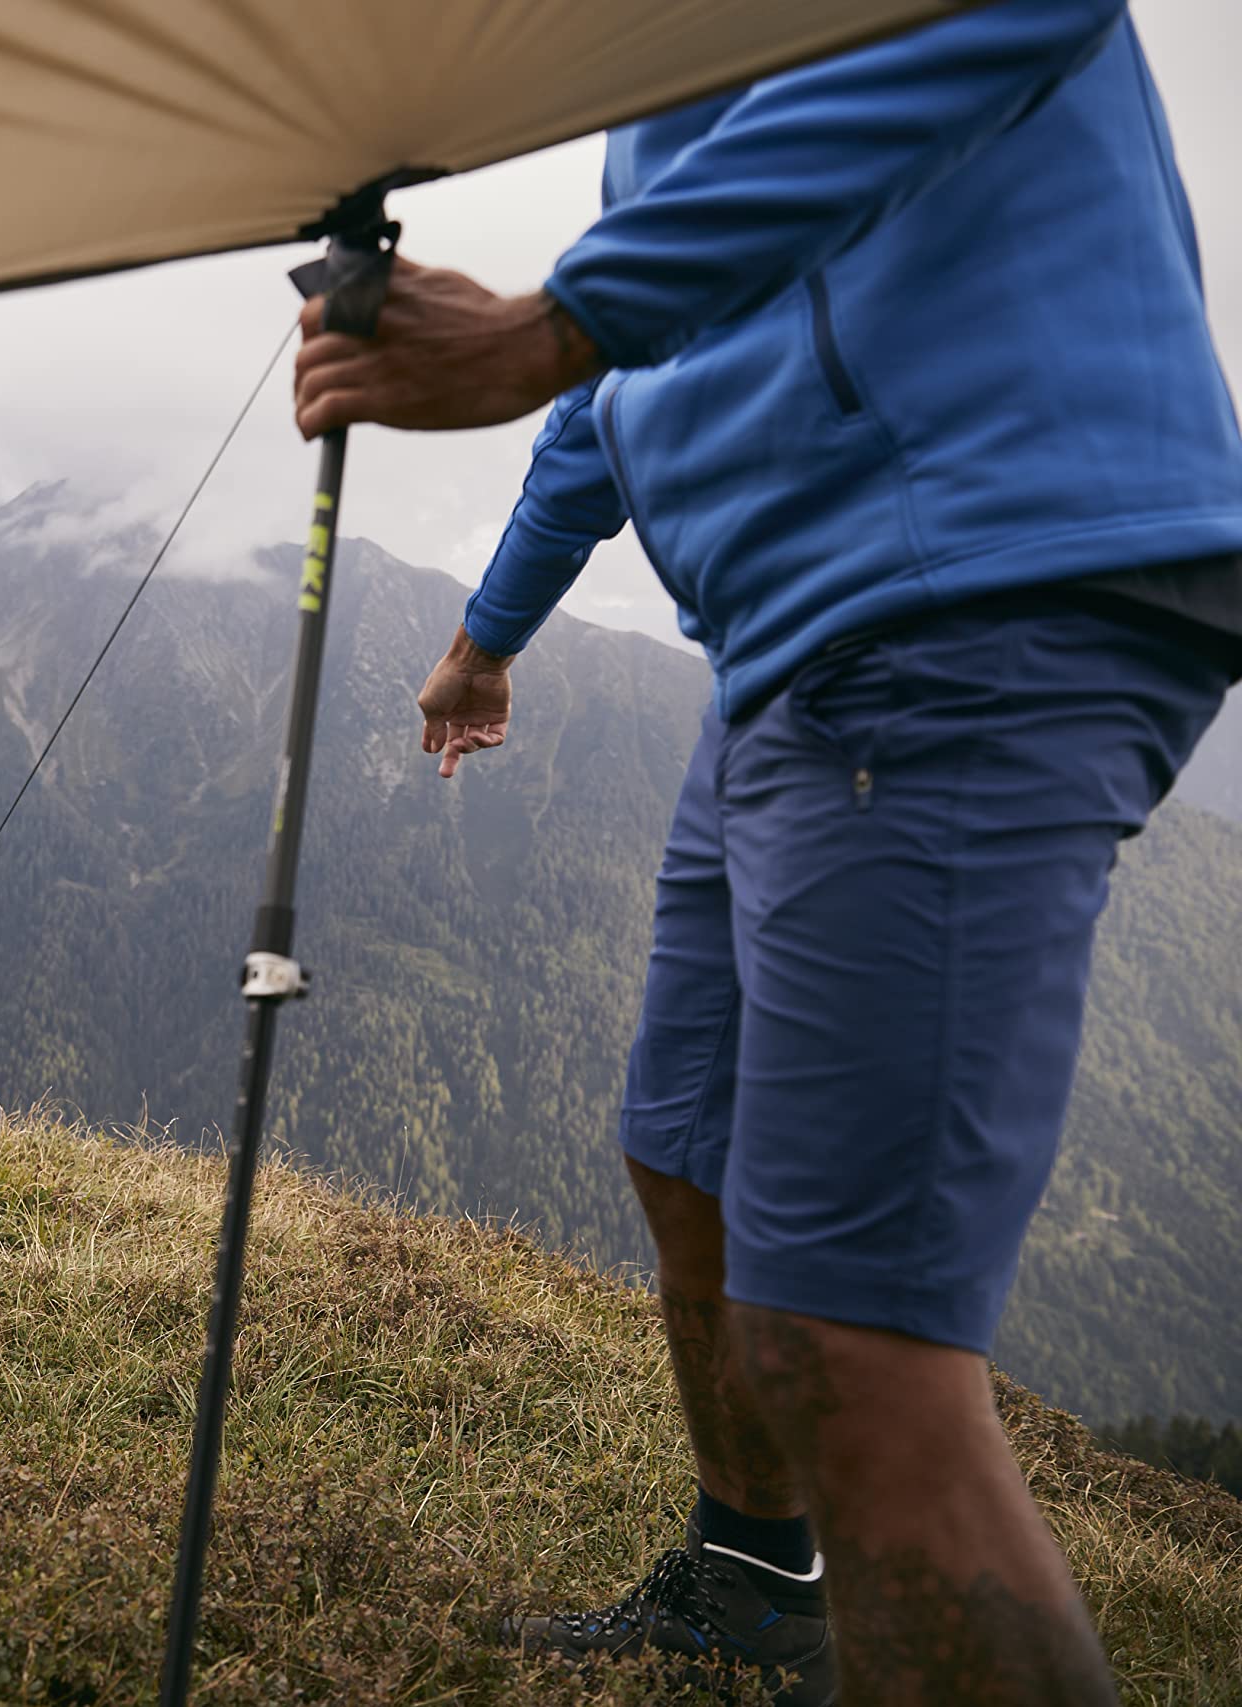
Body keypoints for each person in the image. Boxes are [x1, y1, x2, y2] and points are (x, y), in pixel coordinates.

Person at [290, 3, 1241, 1704]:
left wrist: (552, 322)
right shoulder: (662, 82)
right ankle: (753, 1586)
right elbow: (620, 382)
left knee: (852, 1330)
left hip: (975, 594)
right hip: (803, 654)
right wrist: (489, 633)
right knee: (691, 1157)